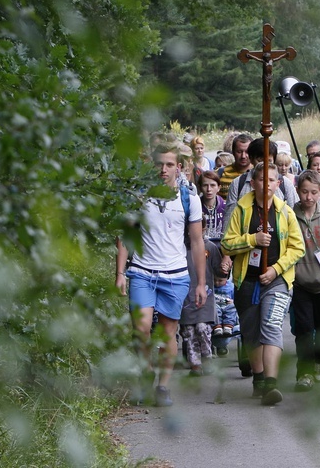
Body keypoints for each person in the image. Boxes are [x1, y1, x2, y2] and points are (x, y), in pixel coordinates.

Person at [115, 142, 207, 407]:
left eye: (169, 164)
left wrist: (201, 283)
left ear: (179, 168)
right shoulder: (137, 196)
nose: (163, 169)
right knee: (141, 330)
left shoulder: (190, 199)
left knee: (168, 333)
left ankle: (163, 385)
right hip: (142, 272)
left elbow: (197, 242)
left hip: (175, 275)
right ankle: (145, 372)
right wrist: (120, 272)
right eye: (159, 164)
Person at [221, 162, 305, 406]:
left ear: (278, 184)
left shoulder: (285, 212)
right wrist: (252, 240)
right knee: (251, 332)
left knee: (271, 326)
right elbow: (227, 244)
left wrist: (276, 269)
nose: (266, 184)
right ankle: (259, 376)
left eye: (271, 180)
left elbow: (297, 248)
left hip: (277, 281)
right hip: (247, 280)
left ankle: (271, 382)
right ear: (253, 183)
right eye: (261, 180)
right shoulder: (241, 210)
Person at [291, 170, 320, 391]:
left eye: (314, 192)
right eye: (304, 192)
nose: (308, 197)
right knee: (304, 329)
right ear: (297, 190)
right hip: (299, 282)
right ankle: (304, 372)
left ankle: (319, 359)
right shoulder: (290, 214)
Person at [223, 137, 299, 226]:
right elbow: (229, 220)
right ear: (251, 159)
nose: (264, 164)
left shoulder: (285, 184)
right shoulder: (238, 184)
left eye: (269, 161)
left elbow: (295, 217)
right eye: (260, 160)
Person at [179, 234, 221, 376]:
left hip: (205, 295)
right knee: (189, 331)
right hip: (185, 296)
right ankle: (195, 364)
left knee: (202, 328)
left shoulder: (210, 247)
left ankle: (207, 358)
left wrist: (225, 266)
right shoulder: (179, 246)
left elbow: (219, 270)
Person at [217, 133, 253, 199]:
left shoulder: (258, 174)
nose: (243, 156)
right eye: (239, 152)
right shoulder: (219, 173)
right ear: (233, 152)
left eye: (247, 152)